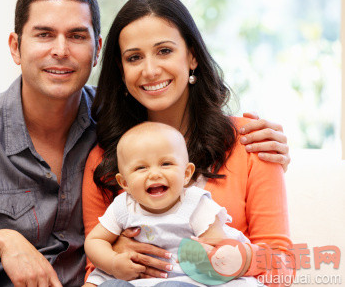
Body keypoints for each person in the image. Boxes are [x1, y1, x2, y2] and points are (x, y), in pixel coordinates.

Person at [0, 0, 290, 287]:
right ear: (15, 46)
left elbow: (282, 262)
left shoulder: (238, 142)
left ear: (95, 51)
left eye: (76, 36)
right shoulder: (105, 154)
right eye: (44, 34)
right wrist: (5, 241)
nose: (61, 50)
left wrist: (215, 258)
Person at [82, 0, 294, 286]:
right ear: (121, 70)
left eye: (165, 51)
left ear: (192, 55)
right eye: (134, 57)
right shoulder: (106, 158)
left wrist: (228, 258)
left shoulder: (251, 142)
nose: (151, 70)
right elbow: (96, 270)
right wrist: (116, 254)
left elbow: (281, 265)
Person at [84, 122, 257, 287]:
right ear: (124, 183)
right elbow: (95, 240)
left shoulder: (196, 204)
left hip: (187, 280)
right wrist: (113, 263)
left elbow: (220, 245)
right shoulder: (123, 206)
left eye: (166, 164)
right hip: (135, 281)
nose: (154, 174)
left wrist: (213, 257)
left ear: (187, 173)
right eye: (141, 168)